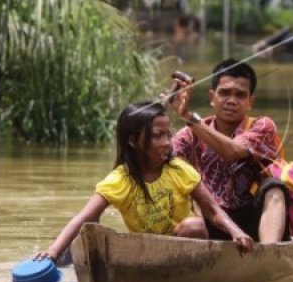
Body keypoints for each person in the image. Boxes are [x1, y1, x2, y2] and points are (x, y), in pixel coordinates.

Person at [34, 101, 253, 262]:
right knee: (94, 233)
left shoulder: (179, 169)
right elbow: (83, 217)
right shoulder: (120, 180)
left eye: (168, 134)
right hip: (146, 254)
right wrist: (53, 251)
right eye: (158, 135)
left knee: (194, 225)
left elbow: (213, 210)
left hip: (185, 250)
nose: (168, 143)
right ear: (132, 141)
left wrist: (237, 232)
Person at [169, 59, 290, 243]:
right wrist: (155, 114)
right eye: (224, 93)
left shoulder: (263, 126)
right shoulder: (189, 134)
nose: (232, 101)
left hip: (254, 221)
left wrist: (187, 116)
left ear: (250, 102)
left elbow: (232, 151)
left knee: (274, 188)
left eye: (240, 95)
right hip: (213, 218)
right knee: (189, 220)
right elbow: (159, 158)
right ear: (212, 97)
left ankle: (268, 254)